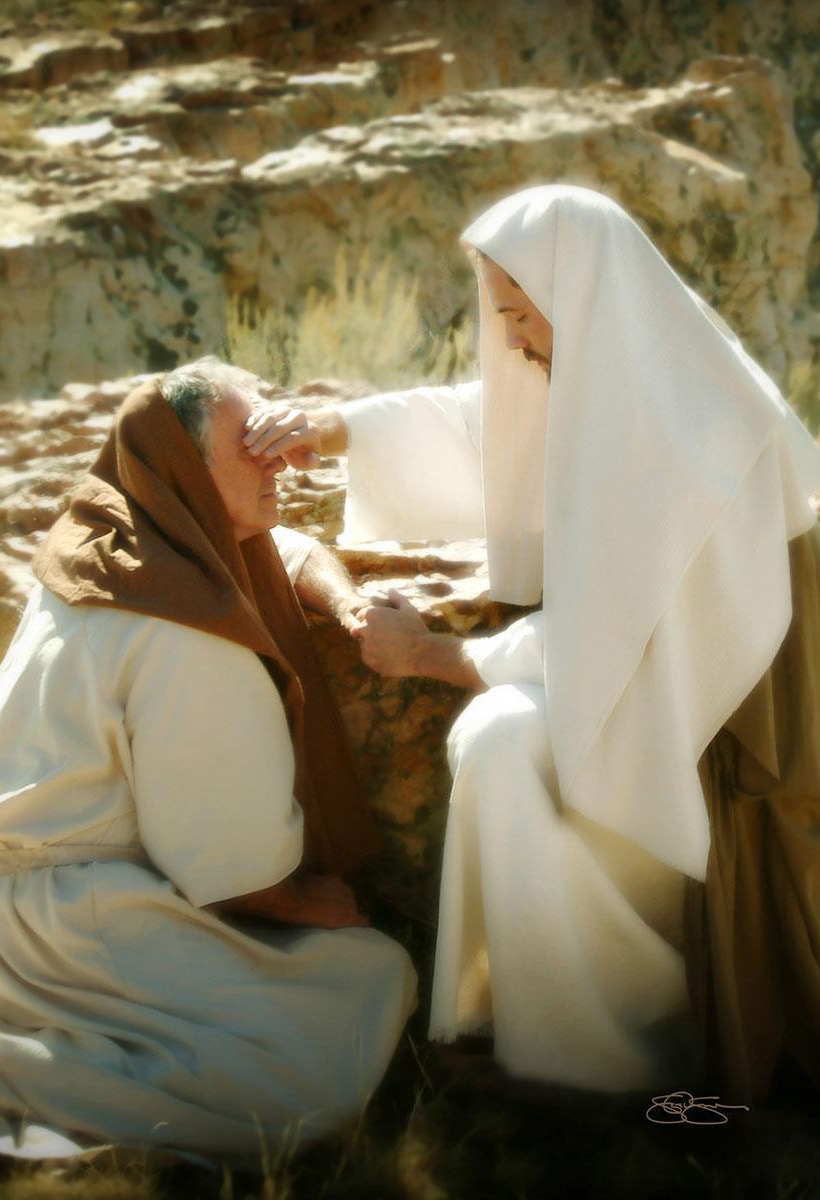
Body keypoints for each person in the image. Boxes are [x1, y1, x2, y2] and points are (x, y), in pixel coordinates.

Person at [240, 184, 820, 1105]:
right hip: (647, 698)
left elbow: (621, 635)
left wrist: (430, 655)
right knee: (500, 738)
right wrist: (329, 427)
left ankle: (615, 1043)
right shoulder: (625, 374)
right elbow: (480, 420)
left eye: (520, 311)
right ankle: (545, 1035)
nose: (509, 338)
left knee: (501, 738)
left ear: (579, 297)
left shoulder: (688, 426)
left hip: (720, 742)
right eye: (501, 312)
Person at [0, 358, 417, 1171]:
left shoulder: (112, 544)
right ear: (187, 470)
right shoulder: (188, 630)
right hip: (90, 920)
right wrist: (309, 901)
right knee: (368, 978)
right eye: (250, 444)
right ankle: (41, 1095)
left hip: (1, 912)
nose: (276, 460)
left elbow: (283, 548)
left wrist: (347, 604)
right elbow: (230, 868)